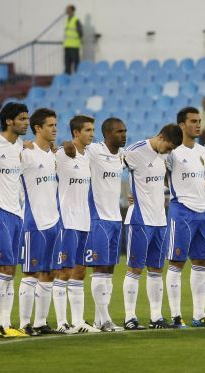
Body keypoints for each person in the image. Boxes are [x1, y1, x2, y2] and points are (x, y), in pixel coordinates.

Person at [122, 124, 183, 330]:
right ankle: (130, 317)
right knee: (135, 268)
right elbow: (110, 167)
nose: (169, 151)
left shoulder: (165, 156)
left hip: (160, 220)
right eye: (169, 146)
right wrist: (125, 193)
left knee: (156, 269)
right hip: (140, 219)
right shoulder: (135, 151)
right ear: (160, 137)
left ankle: (156, 317)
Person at [165, 107, 205, 328]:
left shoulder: (202, 151)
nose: (198, 124)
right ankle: (176, 315)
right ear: (181, 125)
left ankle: (199, 315)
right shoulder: (171, 152)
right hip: (181, 210)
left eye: (199, 121)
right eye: (193, 121)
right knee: (176, 262)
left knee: (201, 262)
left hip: (203, 211)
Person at [55, 115, 102, 334]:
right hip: (66, 219)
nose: (92, 134)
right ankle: (61, 322)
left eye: (92, 130)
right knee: (63, 271)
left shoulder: (88, 156)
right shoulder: (62, 154)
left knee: (80, 270)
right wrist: (64, 143)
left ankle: (78, 321)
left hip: (84, 220)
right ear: (76, 133)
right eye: (88, 130)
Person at [19, 108, 65, 335]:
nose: (55, 129)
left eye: (56, 125)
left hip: (54, 221)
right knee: (30, 273)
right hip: (33, 221)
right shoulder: (25, 154)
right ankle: (24, 324)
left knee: (49, 273)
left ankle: (40, 323)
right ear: (37, 128)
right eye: (50, 125)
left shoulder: (55, 156)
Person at [0, 102, 29, 338]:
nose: (27, 123)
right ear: (9, 121)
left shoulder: (21, 146)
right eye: (22, 119)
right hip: (0, 211)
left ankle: (6, 323)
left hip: (17, 213)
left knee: (11, 269)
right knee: (3, 269)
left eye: (27, 118)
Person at [84, 118, 127, 332]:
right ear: (108, 134)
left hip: (115, 219)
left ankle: (100, 320)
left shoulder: (121, 155)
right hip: (98, 218)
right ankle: (105, 318)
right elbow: (72, 147)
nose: (124, 135)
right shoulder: (93, 151)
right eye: (120, 131)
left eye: (125, 131)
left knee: (109, 270)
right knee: (99, 268)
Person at [64, 5, 83, 74]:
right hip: (67, 45)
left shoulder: (76, 20)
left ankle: (77, 78)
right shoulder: (67, 20)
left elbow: (81, 32)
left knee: (76, 63)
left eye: (68, 9)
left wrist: (78, 39)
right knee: (67, 63)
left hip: (74, 46)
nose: (66, 11)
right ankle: (67, 78)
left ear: (72, 10)